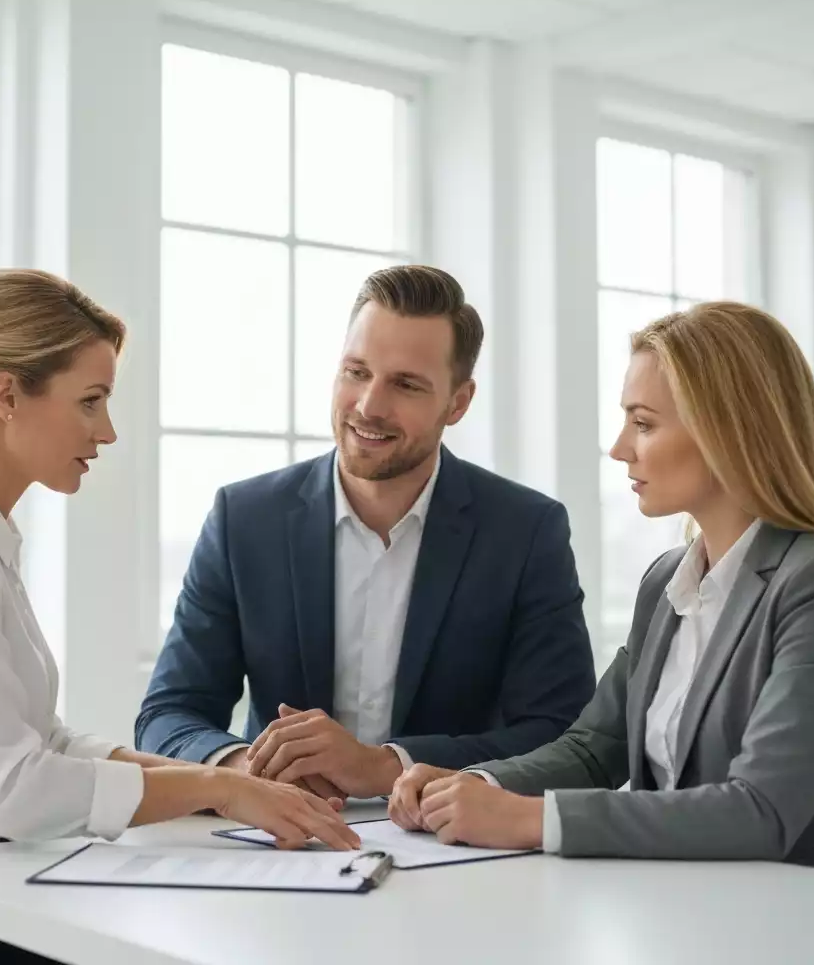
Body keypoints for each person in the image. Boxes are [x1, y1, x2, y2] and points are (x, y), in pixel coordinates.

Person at [0, 269, 358, 963]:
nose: (106, 431)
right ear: (8, 394)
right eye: (91, 401)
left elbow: (39, 739)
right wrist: (215, 785)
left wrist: (223, 788)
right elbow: (11, 790)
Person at [389, 301, 814, 869]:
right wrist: (472, 784)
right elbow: (592, 751)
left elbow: (761, 811)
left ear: (727, 431)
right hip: (679, 914)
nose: (619, 447)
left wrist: (527, 819)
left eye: (644, 423)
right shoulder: (666, 582)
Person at [136, 265, 596, 802]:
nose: (369, 405)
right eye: (356, 371)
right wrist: (252, 768)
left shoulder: (526, 531)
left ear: (458, 402)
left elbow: (562, 734)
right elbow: (168, 715)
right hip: (278, 846)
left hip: (457, 851)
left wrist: (384, 767)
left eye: (405, 384)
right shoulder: (244, 519)